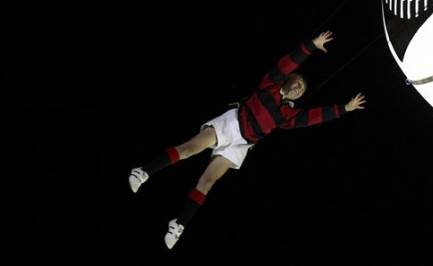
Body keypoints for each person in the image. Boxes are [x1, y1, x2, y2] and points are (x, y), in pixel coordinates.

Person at [128, 30, 366, 249]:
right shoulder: (270, 84)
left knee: (208, 181)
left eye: (302, 89)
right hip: (232, 124)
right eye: (297, 83)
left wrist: (344, 108)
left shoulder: (287, 116)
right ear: (288, 81)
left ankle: (178, 224)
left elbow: (315, 117)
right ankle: (144, 171)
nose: (298, 88)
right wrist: (311, 46)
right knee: (191, 148)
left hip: (243, 144)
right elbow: (287, 63)